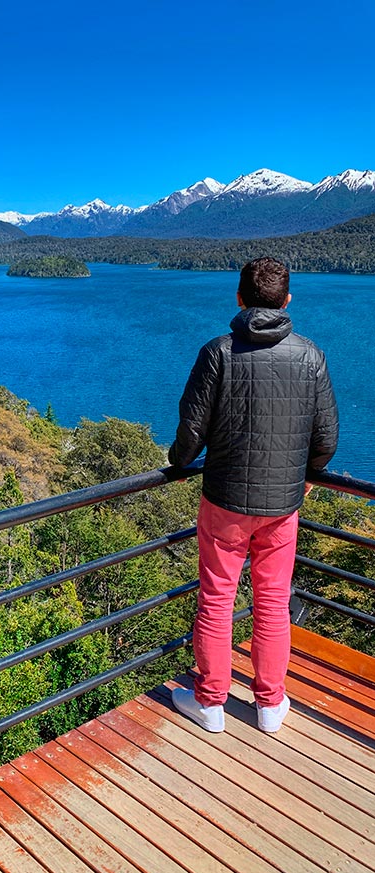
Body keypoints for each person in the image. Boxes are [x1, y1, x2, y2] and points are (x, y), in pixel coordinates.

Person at [168, 257, 338, 733]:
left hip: (224, 502)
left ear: (239, 297)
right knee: (271, 602)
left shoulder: (217, 353)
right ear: (287, 301)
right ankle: (269, 706)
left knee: (217, 600)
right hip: (282, 507)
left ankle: (210, 704)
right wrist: (306, 476)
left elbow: (191, 432)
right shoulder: (310, 356)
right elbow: (326, 438)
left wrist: (179, 463)